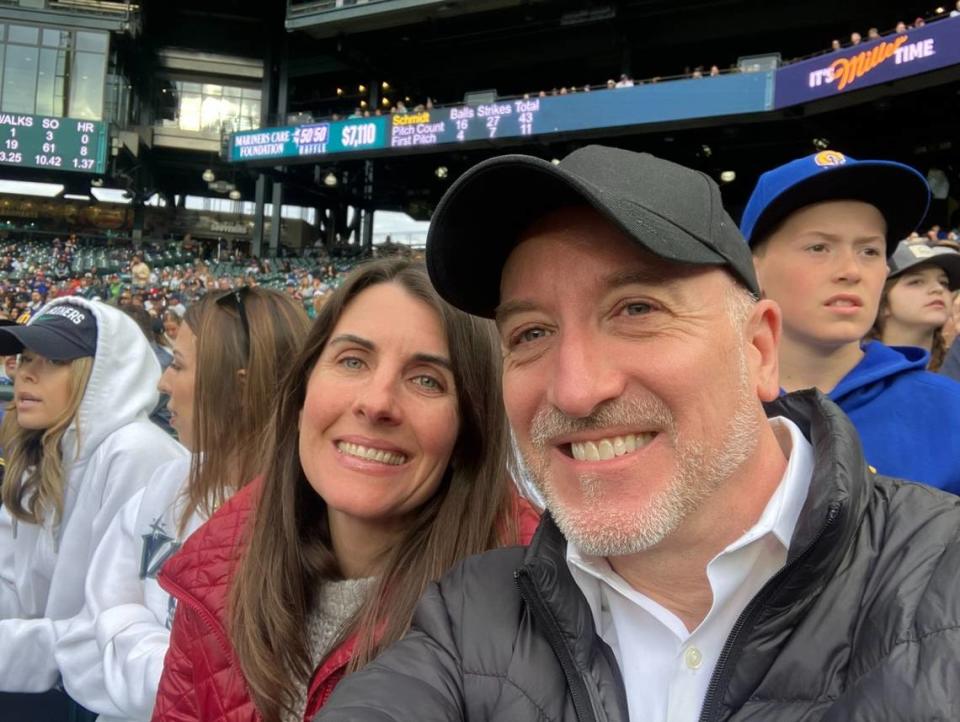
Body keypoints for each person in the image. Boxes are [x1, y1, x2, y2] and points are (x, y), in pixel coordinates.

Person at [315, 146, 960, 722]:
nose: (574, 388)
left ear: (759, 349)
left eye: (637, 310)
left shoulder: (941, 574)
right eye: (531, 333)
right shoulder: (470, 614)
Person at [151, 259, 540, 722]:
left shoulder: (534, 615)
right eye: (353, 360)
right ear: (302, 394)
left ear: (469, 432)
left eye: (426, 380)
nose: (376, 403)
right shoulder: (214, 569)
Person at [56, 288, 310, 722]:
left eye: (178, 365)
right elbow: (95, 623)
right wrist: (175, 669)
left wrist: (138, 651)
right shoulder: (170, 481)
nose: (162, 382)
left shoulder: (309, 521)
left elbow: (243, 695)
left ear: (241, 386)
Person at [740, 150, 960, 493]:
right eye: (818, 247)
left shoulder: (950, 411)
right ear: (753, 268)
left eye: (869, 251)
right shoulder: (703, 405)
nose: (851, 271)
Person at [0, 299, 186, 695]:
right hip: (52, 683)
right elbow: (12, 588)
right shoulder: (42, 452)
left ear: (99, 376)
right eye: (26, 358)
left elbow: (105, 631)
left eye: (51, 361)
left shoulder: (136, 452)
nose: (26, 375)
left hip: (104, 696)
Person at [869, 240, 960, 371]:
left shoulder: (955, 362)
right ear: (882, 303)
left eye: (943, 282)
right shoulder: (851, 371)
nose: (938, 288)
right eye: (916, 282)